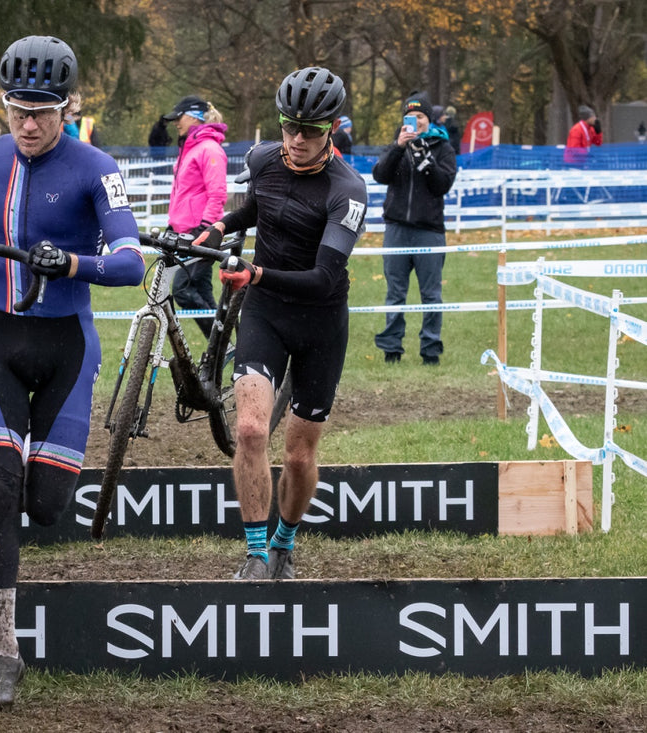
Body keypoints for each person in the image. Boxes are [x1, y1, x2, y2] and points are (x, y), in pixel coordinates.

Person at [0, 35, 144, 712]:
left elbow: (131, 263)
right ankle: (5, 654)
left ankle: (16, 505)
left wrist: (71, 263)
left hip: (68, 347)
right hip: (0, 340)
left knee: (44, 506)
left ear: (68, 107)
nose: (28, 123)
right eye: (17, 109)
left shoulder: (97, 167)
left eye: (42, 112)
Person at [191, 67, 367, 581]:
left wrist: (257, 272)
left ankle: (285, 541)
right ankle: (254, 554)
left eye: (310, 130)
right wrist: (220, 224)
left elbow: (322, 276)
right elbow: (259, 207)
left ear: (331, 128)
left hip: (320, 321)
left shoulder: (347, 191)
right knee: (249, 430)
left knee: (297, 454)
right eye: (289, 125)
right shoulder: (265, 158)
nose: (296, 139)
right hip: (265, 311)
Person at [372, 91, 458, 366]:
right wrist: (399, 148)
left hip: (429, 230)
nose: (415, 121)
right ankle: (391, 349)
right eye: (410, 116)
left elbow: (442, 185)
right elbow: (380, 175)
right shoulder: (396, 146)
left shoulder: (443, 147)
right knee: (395, 292)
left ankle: (430, 349)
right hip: (396, 228)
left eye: (420, 116)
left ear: (428, 119)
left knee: (431, 294)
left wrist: (425, 160)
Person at [164, 95, 228, 335]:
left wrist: (205, 227)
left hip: (200, 233)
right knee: (201, 291)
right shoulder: (190, 149)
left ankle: (220, 346)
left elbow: (218, 193)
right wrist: (173, 224)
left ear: (192, 117)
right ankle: (224, 347)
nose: (175, 123)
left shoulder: (209, 149)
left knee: (183, 290)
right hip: (185, 231)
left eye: (178, 118)